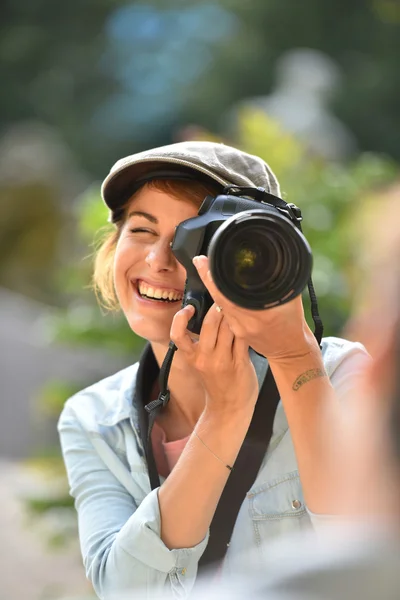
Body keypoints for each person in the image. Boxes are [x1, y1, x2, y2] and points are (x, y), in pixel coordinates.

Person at [58, 141, 369, 600]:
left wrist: (294, 359)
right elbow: (123, 589)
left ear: (258, 258)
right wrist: (224, 415)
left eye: (194, 239)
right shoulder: (94, 418)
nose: (159, 260)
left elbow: (366, 561)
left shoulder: (341, 376)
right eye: (142, 230)